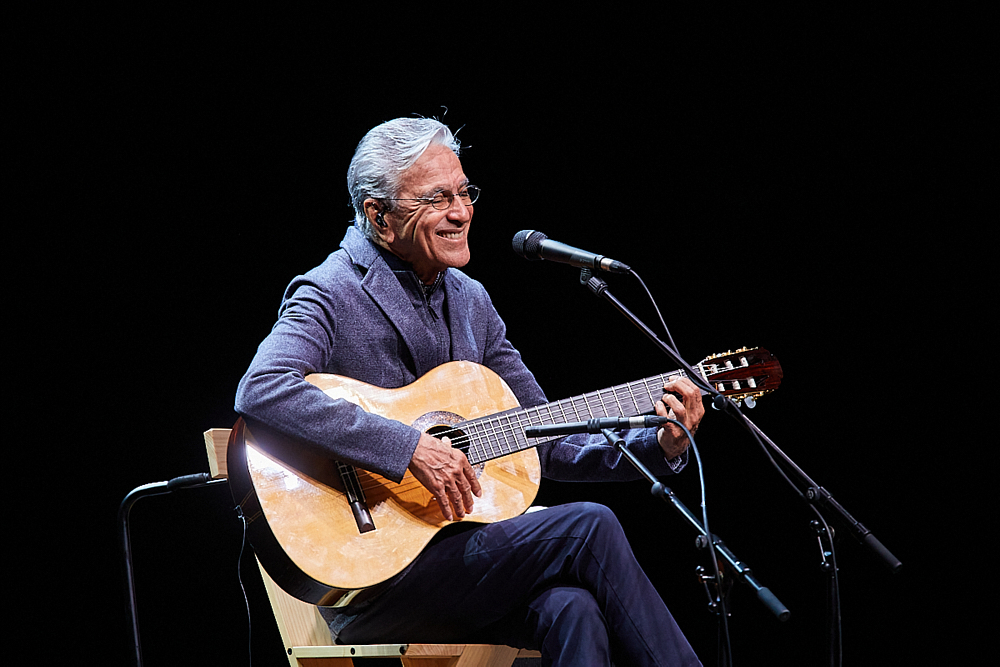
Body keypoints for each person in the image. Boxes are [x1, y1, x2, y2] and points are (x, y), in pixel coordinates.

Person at [235, 117, 704, 666]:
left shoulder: (470, 300)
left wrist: (660, 445)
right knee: (588, 525)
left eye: (464, 192)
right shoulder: (331, 289)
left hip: (466, 555)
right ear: (379, 216)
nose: (460, 212)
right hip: (377, 575)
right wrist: (407, 447)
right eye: (436, 199)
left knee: (571, 608)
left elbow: (544, 437)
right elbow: (263, 388)